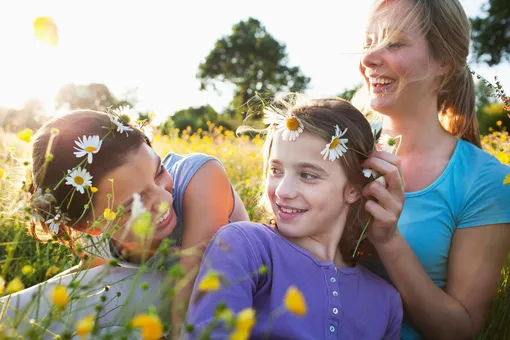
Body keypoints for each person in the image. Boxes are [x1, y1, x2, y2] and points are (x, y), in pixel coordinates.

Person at [0, 109, 249, 338]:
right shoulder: (92, 232)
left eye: (159, 170)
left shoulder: (201, 179)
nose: (163, 199)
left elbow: (193, 303)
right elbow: (86, 278)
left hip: (216, 298)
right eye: (133, 204)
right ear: (90, 226)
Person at [184, 96, 404, 339]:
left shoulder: (385, 301)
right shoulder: (246, 246)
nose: (282, 191)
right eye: (276, 171)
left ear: (353, 188)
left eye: (308, 175)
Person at [356, 0, 510, 339]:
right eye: (368, 43)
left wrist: (389, 240)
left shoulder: (484, 180)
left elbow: (459, 330)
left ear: (444, 61)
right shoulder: (340, 147)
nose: (368, 59)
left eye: (393, 43)